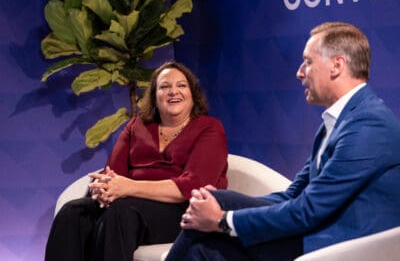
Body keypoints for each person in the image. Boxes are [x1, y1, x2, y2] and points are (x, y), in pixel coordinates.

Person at [165, 22, 400, 261]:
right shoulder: (337, 122)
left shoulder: (368, 125)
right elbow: (292, 195)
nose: (300, 72)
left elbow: (309, 209)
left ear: (337, 65)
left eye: (308, 62)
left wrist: (221, 219)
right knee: (203, 249)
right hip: (315, 233)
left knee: (214, 220)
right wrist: (223, 205)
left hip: (339, 246)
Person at [45, 61, 229, 261]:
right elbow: (112, 172)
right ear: (154, 96)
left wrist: (129, 187)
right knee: (73, 212)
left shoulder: (209, 128)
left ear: (193, 95)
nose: (173, 92)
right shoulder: (137, 126)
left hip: (183, 212)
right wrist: (103, 187)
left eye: (181, 85)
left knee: (122, 211)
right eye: (165, 86)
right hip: (130, 206)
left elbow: (194, 185)